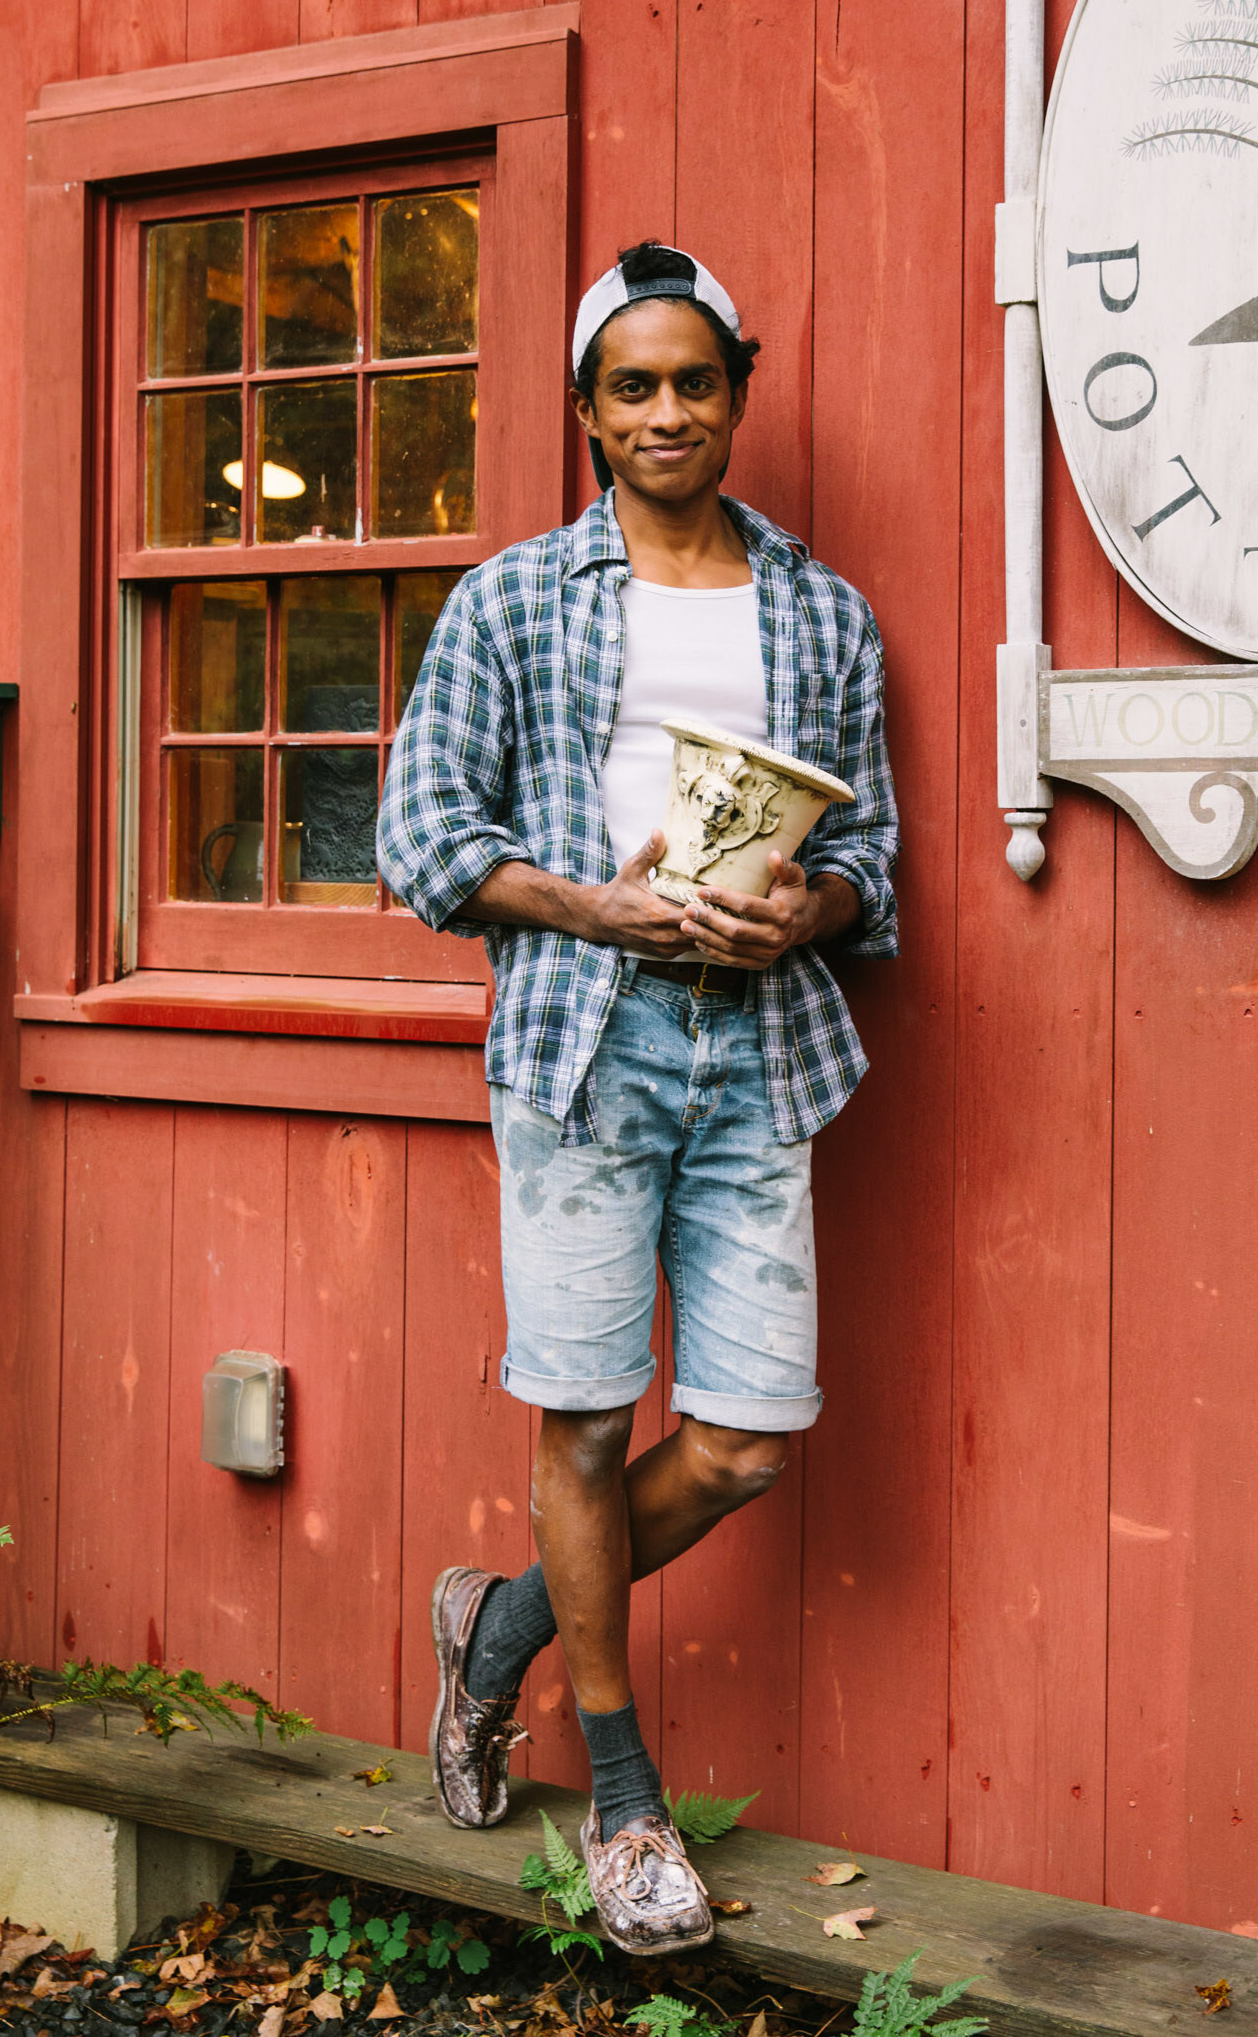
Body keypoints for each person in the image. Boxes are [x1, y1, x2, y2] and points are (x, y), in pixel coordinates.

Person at [377, 241, 898, 1956]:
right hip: (586, 1047)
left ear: (737, 390)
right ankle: (619, 1800)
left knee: (746, 1440)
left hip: (760, 1048)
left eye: (695, 381)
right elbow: (427, 842)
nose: (667, 412)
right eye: (633, 387)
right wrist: (596, 900)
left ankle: (502, 1627)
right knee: (586, 1424)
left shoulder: (821, 612)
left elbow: (872, 861)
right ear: (587, 411)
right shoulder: (515, 601)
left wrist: (801, 906)